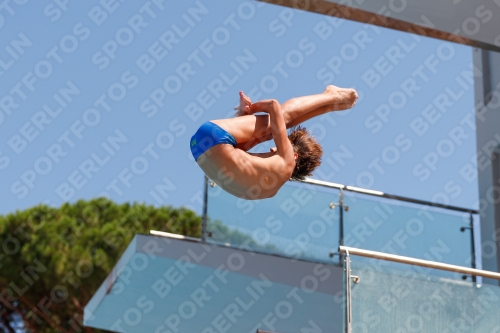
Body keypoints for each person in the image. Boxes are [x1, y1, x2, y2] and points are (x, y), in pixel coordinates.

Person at [190, 85, 358, 200]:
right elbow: (235, 154)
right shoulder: (271, 189)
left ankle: (332, 96)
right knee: (275, 129)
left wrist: (251, 109)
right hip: (200, 147)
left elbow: (273, 105)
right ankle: (331, 105)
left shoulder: (287, 160)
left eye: (278, 148)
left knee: (280, 120)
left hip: (215, 136)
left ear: (295, 155)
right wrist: (244, 118)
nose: (272, 148)